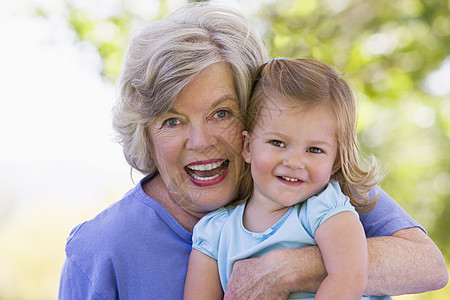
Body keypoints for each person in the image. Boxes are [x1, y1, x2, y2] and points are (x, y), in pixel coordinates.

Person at [58, 3, 448, 300]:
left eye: (221, 113)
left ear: (253, 120)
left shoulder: (306, 179)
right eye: (172, 121)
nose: (200, 141)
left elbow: (428, 265)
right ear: (146, 131)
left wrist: (293, 267)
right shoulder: (102, 250)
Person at [184, 58, 387, 300]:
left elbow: (349, 278)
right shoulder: (215, 232)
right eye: (278, 143)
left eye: (314, 150)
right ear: (247, 146)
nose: (294, 162)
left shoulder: (326, 210)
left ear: (334, 162)